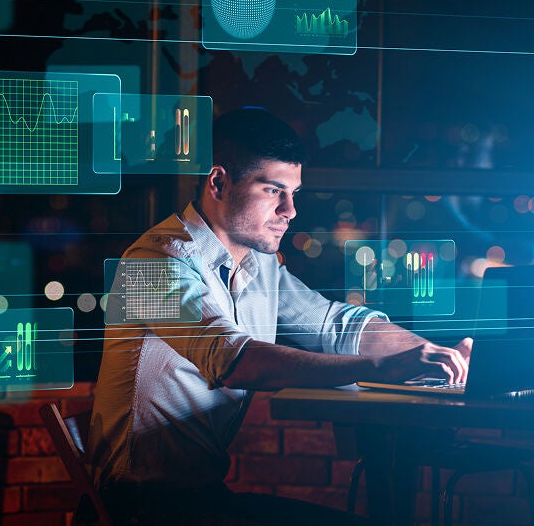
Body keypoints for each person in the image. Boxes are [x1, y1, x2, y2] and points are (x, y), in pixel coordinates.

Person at [85, 106, 472, 525]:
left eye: (294, 193)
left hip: (204, 499)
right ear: (218, 182)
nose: (290, 210)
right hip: (142, 509)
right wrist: (384, 368)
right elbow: (237, 361)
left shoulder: (257, 264)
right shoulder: (153, 263)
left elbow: (333, 326)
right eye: (273, 190)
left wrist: (432, 353)